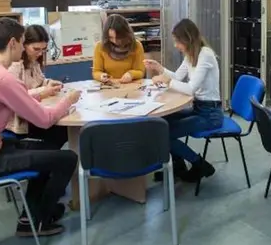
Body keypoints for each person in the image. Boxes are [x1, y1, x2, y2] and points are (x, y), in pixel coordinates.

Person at [0, 17, 81, 237]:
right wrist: (69, 100)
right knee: (67, 159)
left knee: (46, 147)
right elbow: (45, 120)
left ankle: (31, 213)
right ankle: (37, 222)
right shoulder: (3, 78)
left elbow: (23, 104)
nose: (23, 48)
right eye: (22, 42)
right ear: (12, 43)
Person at [144, 18, 219, 182]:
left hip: (210, 114)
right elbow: (178, 77)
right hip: (199, 108)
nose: (176, 45)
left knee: (165, 134)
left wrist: (166, 80)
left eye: (178, 41)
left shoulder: (205, 55)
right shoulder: (191, 54)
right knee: (162, 122)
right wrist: (159, 68)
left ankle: (200, 164)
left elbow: (190, 88)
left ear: (188, 39)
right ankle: (177, 166)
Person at [6, 24, 69, 150]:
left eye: (43, 49)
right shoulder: (14, 65)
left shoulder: (33, 61)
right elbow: (17, 97)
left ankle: (51, 158)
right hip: (20, 123)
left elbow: (39, 80)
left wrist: (48, 83)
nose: (40, 53)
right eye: (36, 49)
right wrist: (44, 91)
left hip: (33, 114)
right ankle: (49, 159)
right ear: (24, 45)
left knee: (63, 131)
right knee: (59, 132)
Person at [92, 14, 145, 84]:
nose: (115, 41)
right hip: (110, 86)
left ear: (126, 34)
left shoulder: (136, 45)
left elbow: (140, 71)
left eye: (119, 38)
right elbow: (96, 72)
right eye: (110, 37)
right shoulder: (100, 46)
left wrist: (131, 74)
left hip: (131, 85)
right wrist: (101, 76)